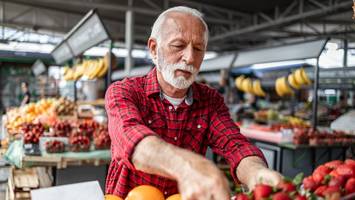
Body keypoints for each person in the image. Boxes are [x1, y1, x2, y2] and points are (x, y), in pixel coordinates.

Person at [105, 6, 282, 200]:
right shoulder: (124, 91)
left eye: (198, 49)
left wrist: (255, 172)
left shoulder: (210, 100)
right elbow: (131, 139)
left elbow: (235, 145)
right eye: (178, 45)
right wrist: (188, 167)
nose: (190, 58)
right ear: (154, 49)